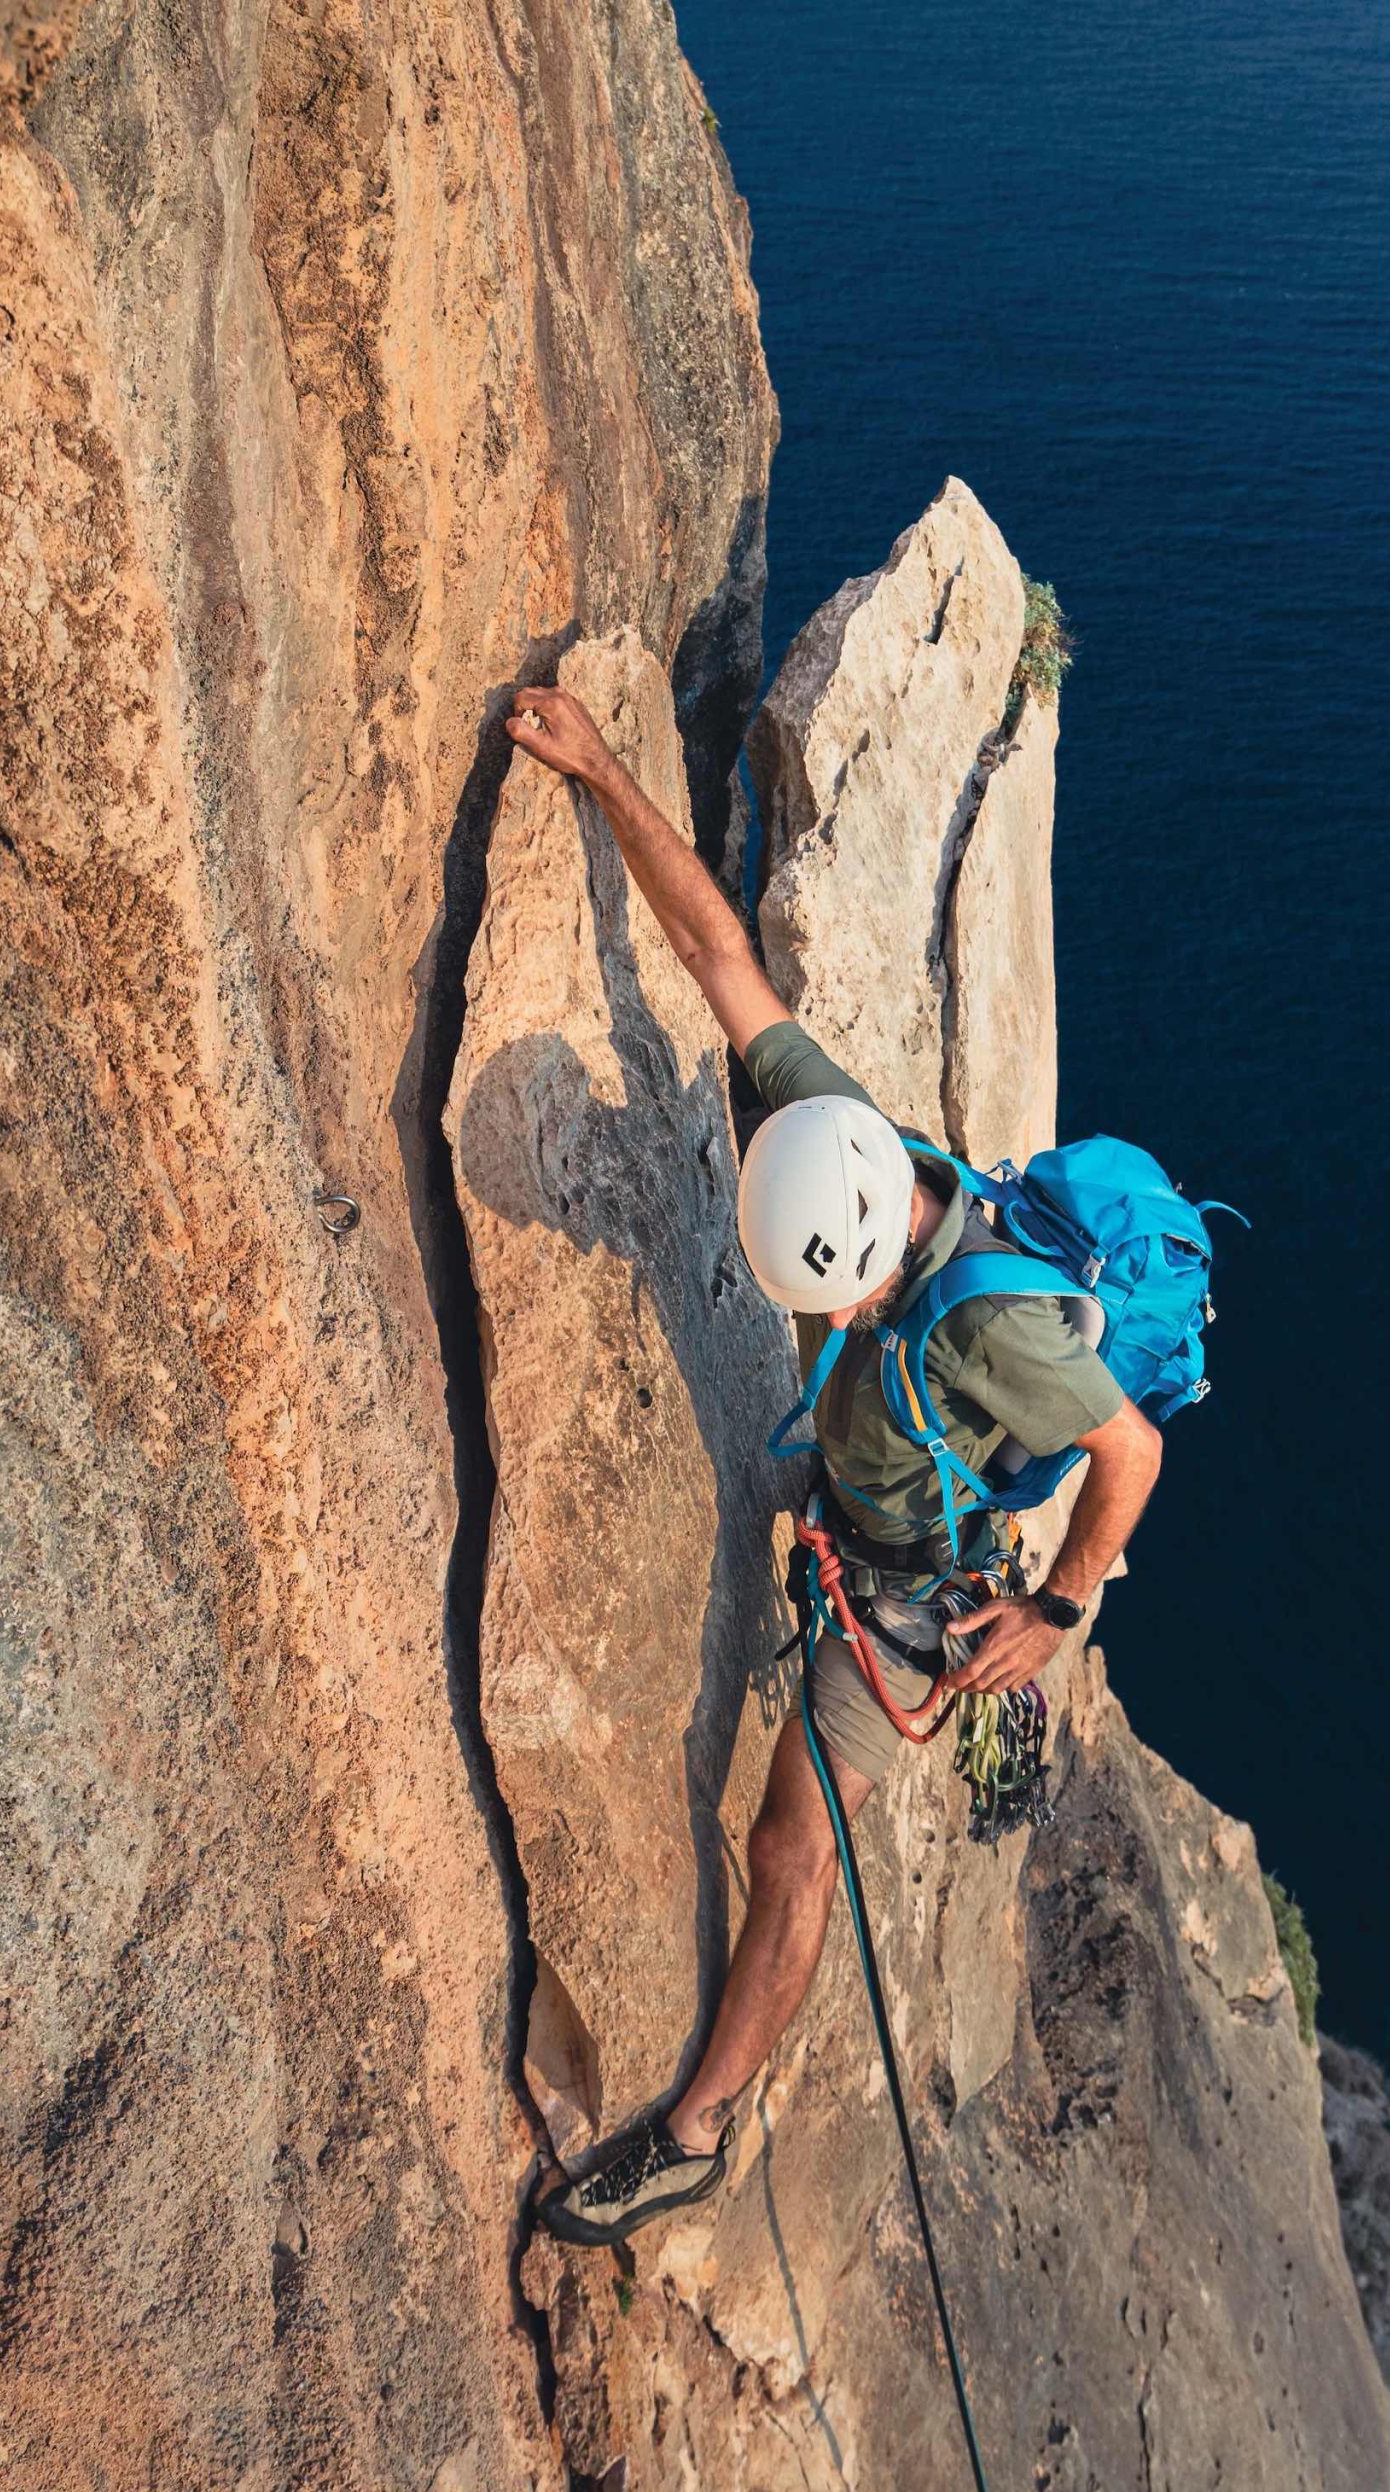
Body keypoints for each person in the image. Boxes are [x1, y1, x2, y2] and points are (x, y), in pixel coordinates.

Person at [504, 682, 1163, 2248]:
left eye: (834, 1307)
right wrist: (598, 767)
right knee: (788, 1801)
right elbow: (716, 954)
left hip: (922, 1588)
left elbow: (1128, 1450)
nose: (823, 1320)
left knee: (793, 1845)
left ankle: (696, 2131)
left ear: (874, 1275)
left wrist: (1059, 1608)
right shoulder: (834, 1134)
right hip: (847, 1514)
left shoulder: (992, 1335)